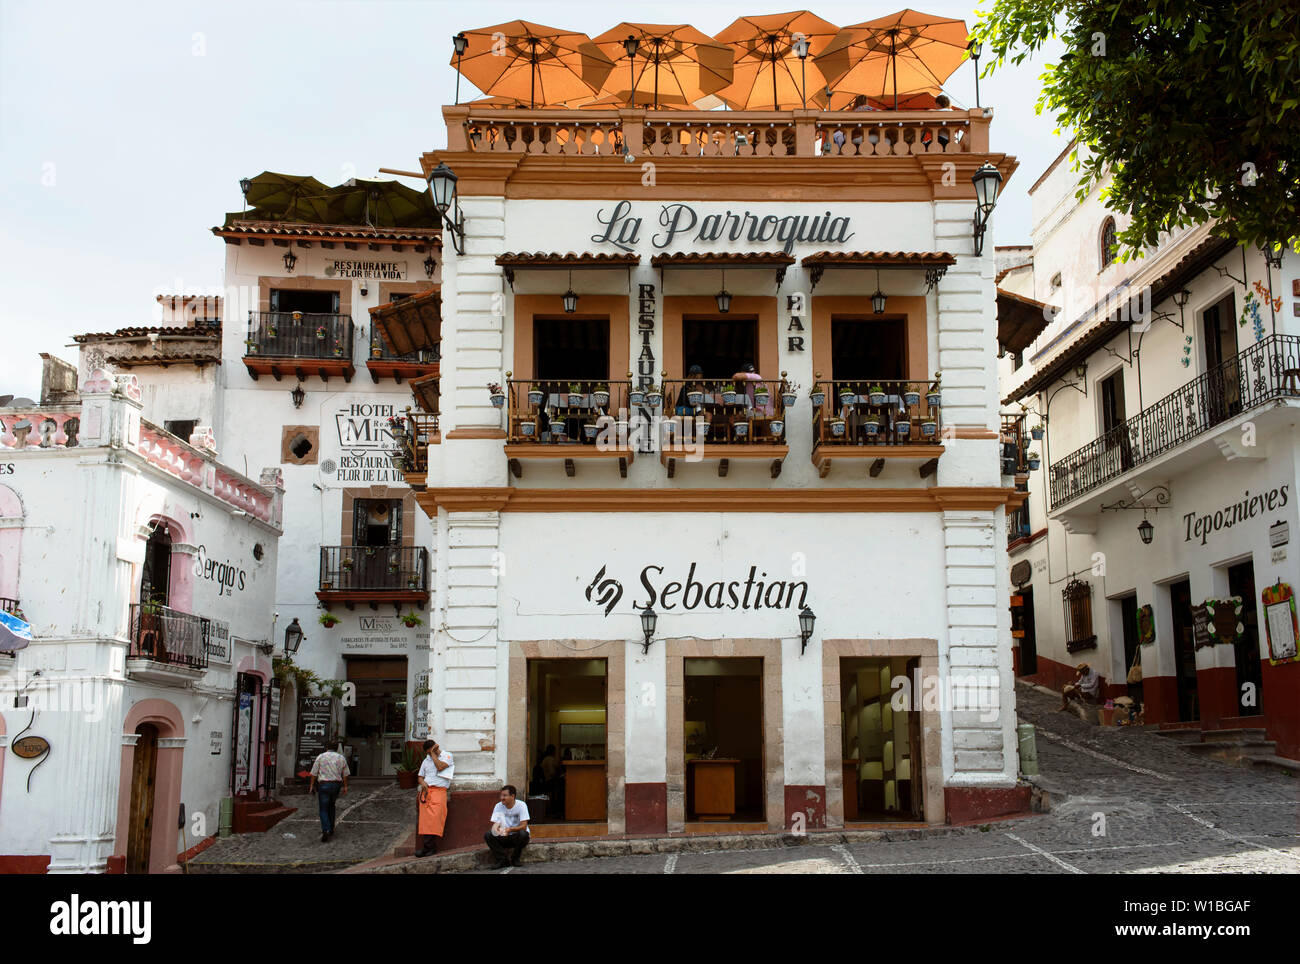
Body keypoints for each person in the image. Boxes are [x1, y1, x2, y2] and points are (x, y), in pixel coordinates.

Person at [415, 738, 453, 857]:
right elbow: (420, 776)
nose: (428, 755)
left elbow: (440, 767)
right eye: (427, 753)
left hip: (439, 792)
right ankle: (428, 848)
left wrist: (433, 754)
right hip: (427, 792)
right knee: (425, 822)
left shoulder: (447, 756)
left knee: (435, 821)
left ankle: (430, 847)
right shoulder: (425, 761)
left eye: (429, 752)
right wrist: (423, 783)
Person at [308, 744, 350, 843]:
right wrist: (345, 786)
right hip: (336, 785)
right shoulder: (341, 758)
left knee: (323, 808)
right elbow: (345, 774)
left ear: (327, 747)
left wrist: (311, 786)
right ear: (336, 748)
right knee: (332, 805)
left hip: (324, 785)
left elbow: (314, 773)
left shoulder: (321, 757)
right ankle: (331, 828)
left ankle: (325, 829)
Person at [484, 784, 531, 869]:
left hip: (517, 837)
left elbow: (524, 826)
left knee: (523, 834)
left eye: (505, 795)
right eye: (501, 795)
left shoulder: (521, 805)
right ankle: (502, 860)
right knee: (488, 835)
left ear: (512, 796)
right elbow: (495, 826)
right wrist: (499, 831)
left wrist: (510, 829)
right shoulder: (498, 806)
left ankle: (515, 858)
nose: (502, 798)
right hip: (504, 836)